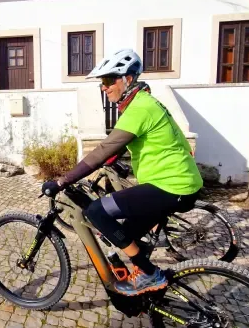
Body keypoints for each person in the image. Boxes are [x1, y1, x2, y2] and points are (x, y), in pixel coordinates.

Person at [41, 49, 203, 296]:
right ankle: (149, 291)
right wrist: (108, 161)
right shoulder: (145, 103)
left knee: (96, 211)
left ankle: (150, 274)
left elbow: (104, 149)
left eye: (108, 81)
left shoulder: (140, 108)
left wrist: (63, 180)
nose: (104, 88)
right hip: (179, 184)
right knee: (126, 234)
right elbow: (120, 146)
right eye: (101, 84)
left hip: (171, 186)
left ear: (127, 78)